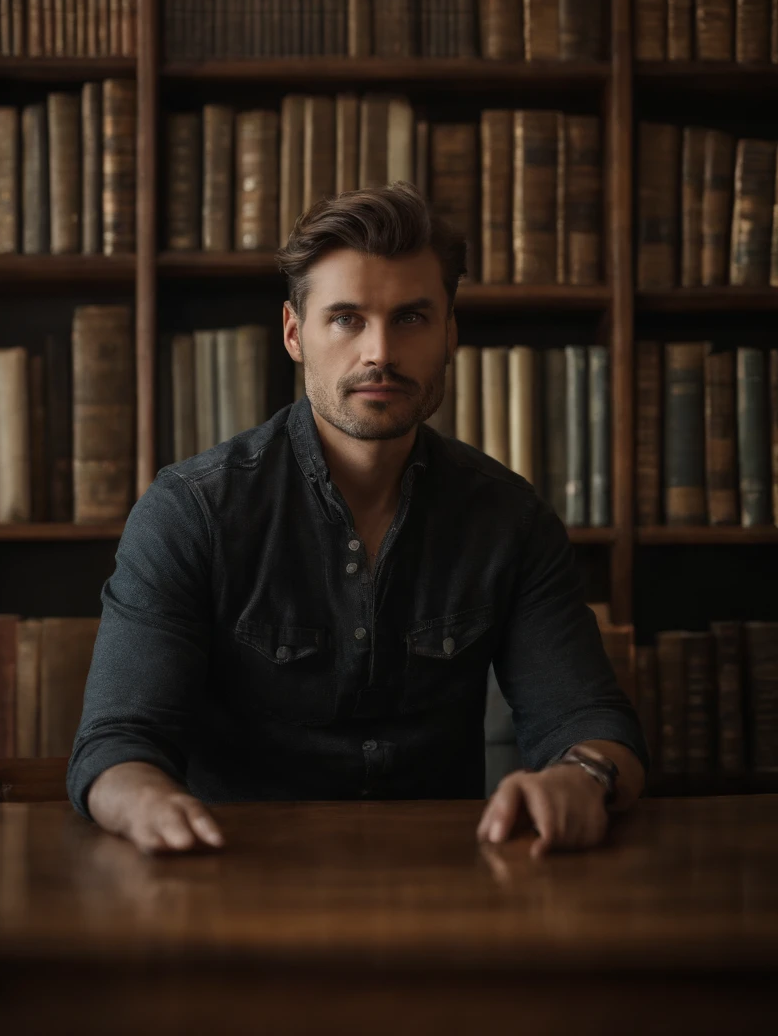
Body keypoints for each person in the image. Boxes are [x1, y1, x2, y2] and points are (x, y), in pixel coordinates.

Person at [67, 181, 649, 859]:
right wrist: (143, 796)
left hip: (448, 886)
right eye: (346, 318)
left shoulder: (510, 519)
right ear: (295, 333)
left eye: (410, 318)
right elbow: (114, 742)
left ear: (450, 334)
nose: (379, 352)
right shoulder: (192, 511)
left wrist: (583, 778)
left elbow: (591, 721)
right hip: (231, 879)